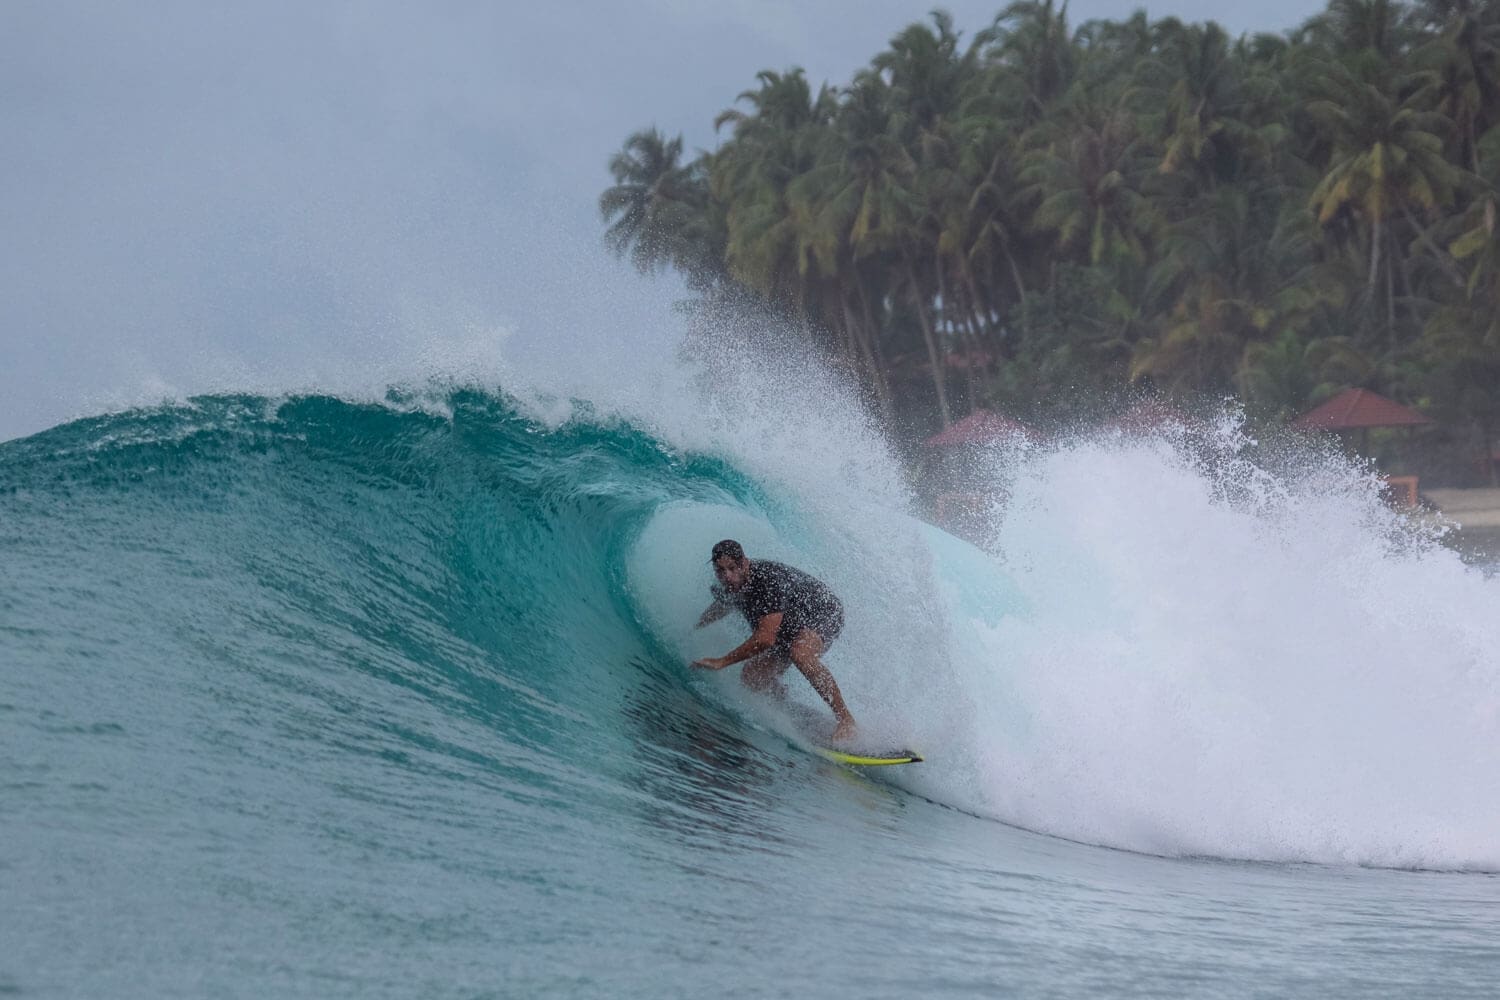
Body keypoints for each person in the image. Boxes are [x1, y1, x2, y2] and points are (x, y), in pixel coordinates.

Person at [691, 539, 857, 741]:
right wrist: (694, 627)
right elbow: (722, 606)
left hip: (822, 612)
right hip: (790, 623)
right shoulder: (732, 585)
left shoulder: (767, 582)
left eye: (732, 568)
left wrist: (721, 661)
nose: (727, 576)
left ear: (744, 563)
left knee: (800, 654)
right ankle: (788, 706)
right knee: (751, 677)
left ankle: (846, 720)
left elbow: (765, 639)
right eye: (720, 571)